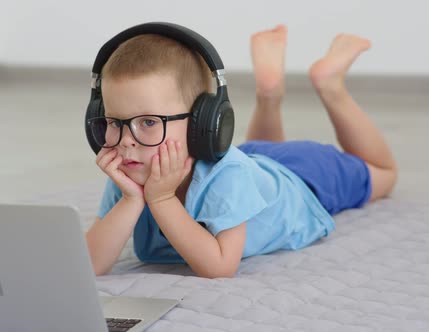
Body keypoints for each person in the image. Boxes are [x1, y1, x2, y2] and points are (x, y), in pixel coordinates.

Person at [85, 24, 398, 278]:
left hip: (303, 179)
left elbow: (219, 267)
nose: (126, 140)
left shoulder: (228, 175)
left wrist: (162, 199)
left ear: (201, 122)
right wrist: (131, 199)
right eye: (114, 121)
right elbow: (91, 265)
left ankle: (330, 84)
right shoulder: (131, 167)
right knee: (259, 154)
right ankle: (269, 92)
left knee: (383, 173)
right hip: (255, 162)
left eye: (149, 122)